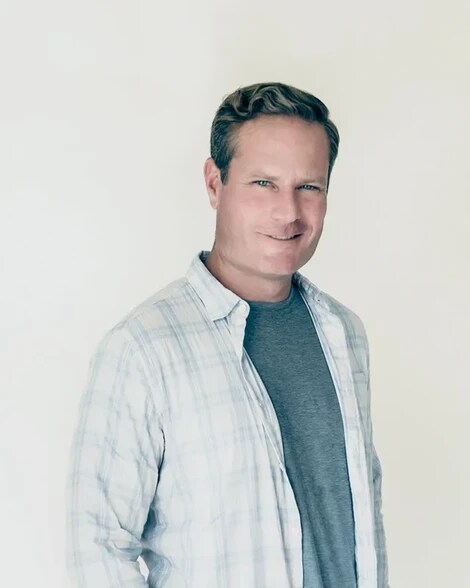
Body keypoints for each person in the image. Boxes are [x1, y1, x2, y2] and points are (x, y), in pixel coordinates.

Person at [65, 82, 388, 588]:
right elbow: (98, 550)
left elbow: (359, 516)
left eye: (309, 186)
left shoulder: (344, 334)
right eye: (263, 183)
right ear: (215, 184)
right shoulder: (143, 349)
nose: (288, 212)